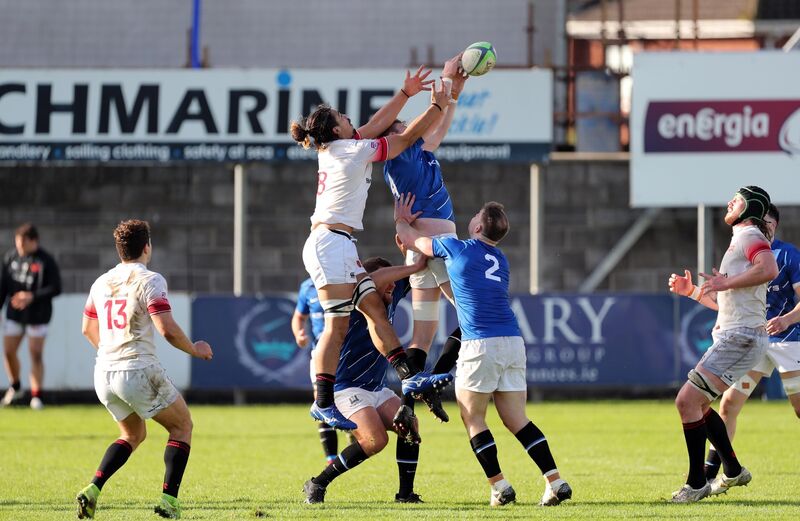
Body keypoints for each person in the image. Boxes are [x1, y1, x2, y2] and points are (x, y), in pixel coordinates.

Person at [291, 67, 453, 430]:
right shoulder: (350, 151)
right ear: (336, 129)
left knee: (376, 313)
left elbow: (380, 123)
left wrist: (405, 93)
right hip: (329, 244)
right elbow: (402, 139)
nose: (352, 120)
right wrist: (437, 107)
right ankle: (322, 402)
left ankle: (409, 376)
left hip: (340, 244)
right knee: (337, 325)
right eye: (344, 118)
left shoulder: (341, 146)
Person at [394, 194, 573, 507]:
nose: (472, 216)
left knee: (473, 416)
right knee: (518, 419)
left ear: (477, 226)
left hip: (480, 343)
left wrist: (400, 218)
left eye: (476, 214)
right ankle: (555, 481)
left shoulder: (457, 247)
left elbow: (413, 241)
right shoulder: (500, 259)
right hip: (513, 341)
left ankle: (500, 487)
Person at [75, 220, 214, 520]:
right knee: (182, 426)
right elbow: (166, 330)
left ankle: (92, 490)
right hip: (137, 370)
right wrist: (195, 348)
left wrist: (111, 353)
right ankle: (169, 502)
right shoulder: (150, 280)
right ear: (147, 246)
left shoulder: (101, 282)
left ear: (120, 249)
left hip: (104, 374)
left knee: (133, 434)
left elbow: (87, 328)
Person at [667, 186, 778, 503]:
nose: (730, 201)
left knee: (686, 402)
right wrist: (693, 292)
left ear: (750, 207)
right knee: (699, 405)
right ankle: (732, 469)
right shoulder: (742, 238)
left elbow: (769, 268)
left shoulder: (748, 235)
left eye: (738, 198)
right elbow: (729, 305)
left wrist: (725, 281)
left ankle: (697, 482)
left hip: (741, 338)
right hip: (740, 335)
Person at [381, 55, 468, 422]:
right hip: (438, 247)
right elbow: (433, 122)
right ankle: (439, 379)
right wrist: (446, 85)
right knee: (473, 316)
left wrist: (455, 90)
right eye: (402, 123)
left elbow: (441, 125)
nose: (408, 124)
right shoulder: (401, 153)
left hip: (419, 251)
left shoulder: (417, 152)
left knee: (423, 334)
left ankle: (407, 403)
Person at [303, 251, 428, 505]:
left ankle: (405, 495)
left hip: (375, 387)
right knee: (375, 440)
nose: (393, 284)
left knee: (411, 427)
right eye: (387, 281)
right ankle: (318, 483)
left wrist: (410, 244)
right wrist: (411, 266)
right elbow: (376, 277)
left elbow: (406, 271)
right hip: (345, 388)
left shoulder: (390, 294)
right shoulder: (359, 300)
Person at [704, 203, 800, 489]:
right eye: (761, 221)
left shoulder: (787, 254)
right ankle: (710, 475)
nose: (764, 226)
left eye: (769, 222)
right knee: (729, 404)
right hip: (754, 338)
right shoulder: (742, 253)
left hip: (788, 341)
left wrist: (786, 320)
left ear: (775, 225)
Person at [0, 223, 61, 410]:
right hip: (15, 313)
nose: (20, 248)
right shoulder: (11, 257)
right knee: (9, 351)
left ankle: (36, 396)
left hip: (38, 314)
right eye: (17, 244)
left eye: (23, 244)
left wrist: (31, 296)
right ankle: (16, 386)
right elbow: (3, 286)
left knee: (35, 353)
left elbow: (56, 288)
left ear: (33, 241)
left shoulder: (46, 260)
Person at [292, 277, 349, 465]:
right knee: (322, 401)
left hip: (347, 352)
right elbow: (299, 316)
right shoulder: (307, 287)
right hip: (320, 354)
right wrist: (298, 332)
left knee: (348, 397)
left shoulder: (343, 279)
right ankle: (331, 457)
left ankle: (354, 435)